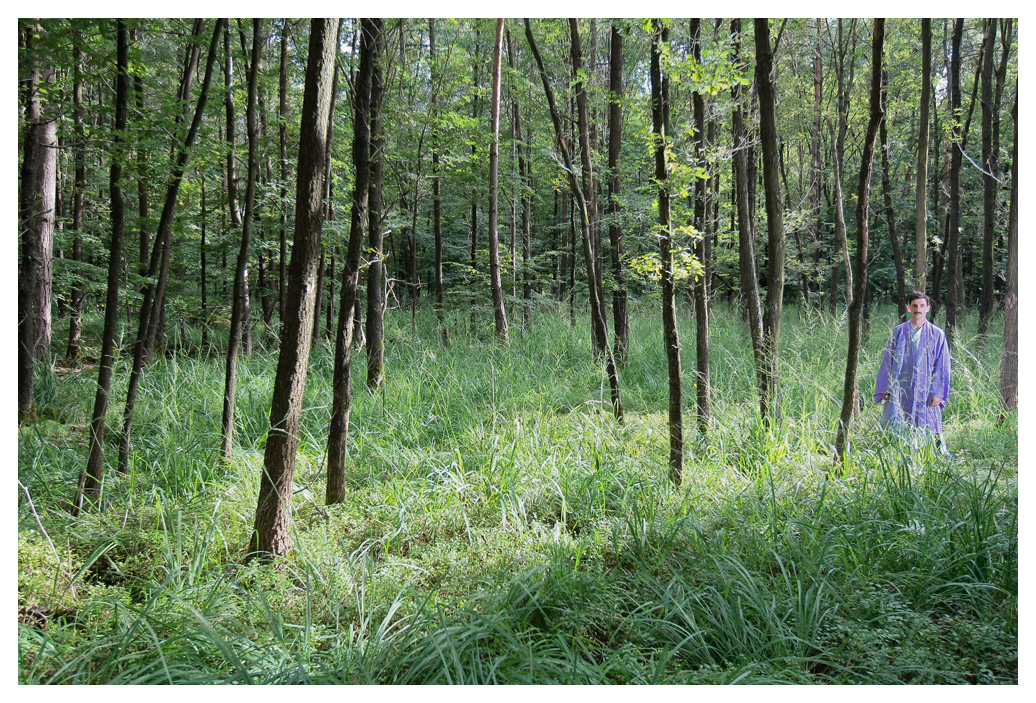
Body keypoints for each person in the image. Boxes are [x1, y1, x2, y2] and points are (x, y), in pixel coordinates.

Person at [874, 291, 952, 456]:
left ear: (928, 308)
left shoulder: (937, 334)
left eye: (922, 306)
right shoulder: (899, 331)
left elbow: (942, 366)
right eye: (915, 306)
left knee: (928, 422)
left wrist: (938, 393)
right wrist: (884, 388)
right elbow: (888, 360)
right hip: (900, 386)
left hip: (926, 389)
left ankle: (926, 453)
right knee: (896, 419)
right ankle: (896, 453)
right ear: (909, 308)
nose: (918, 310)